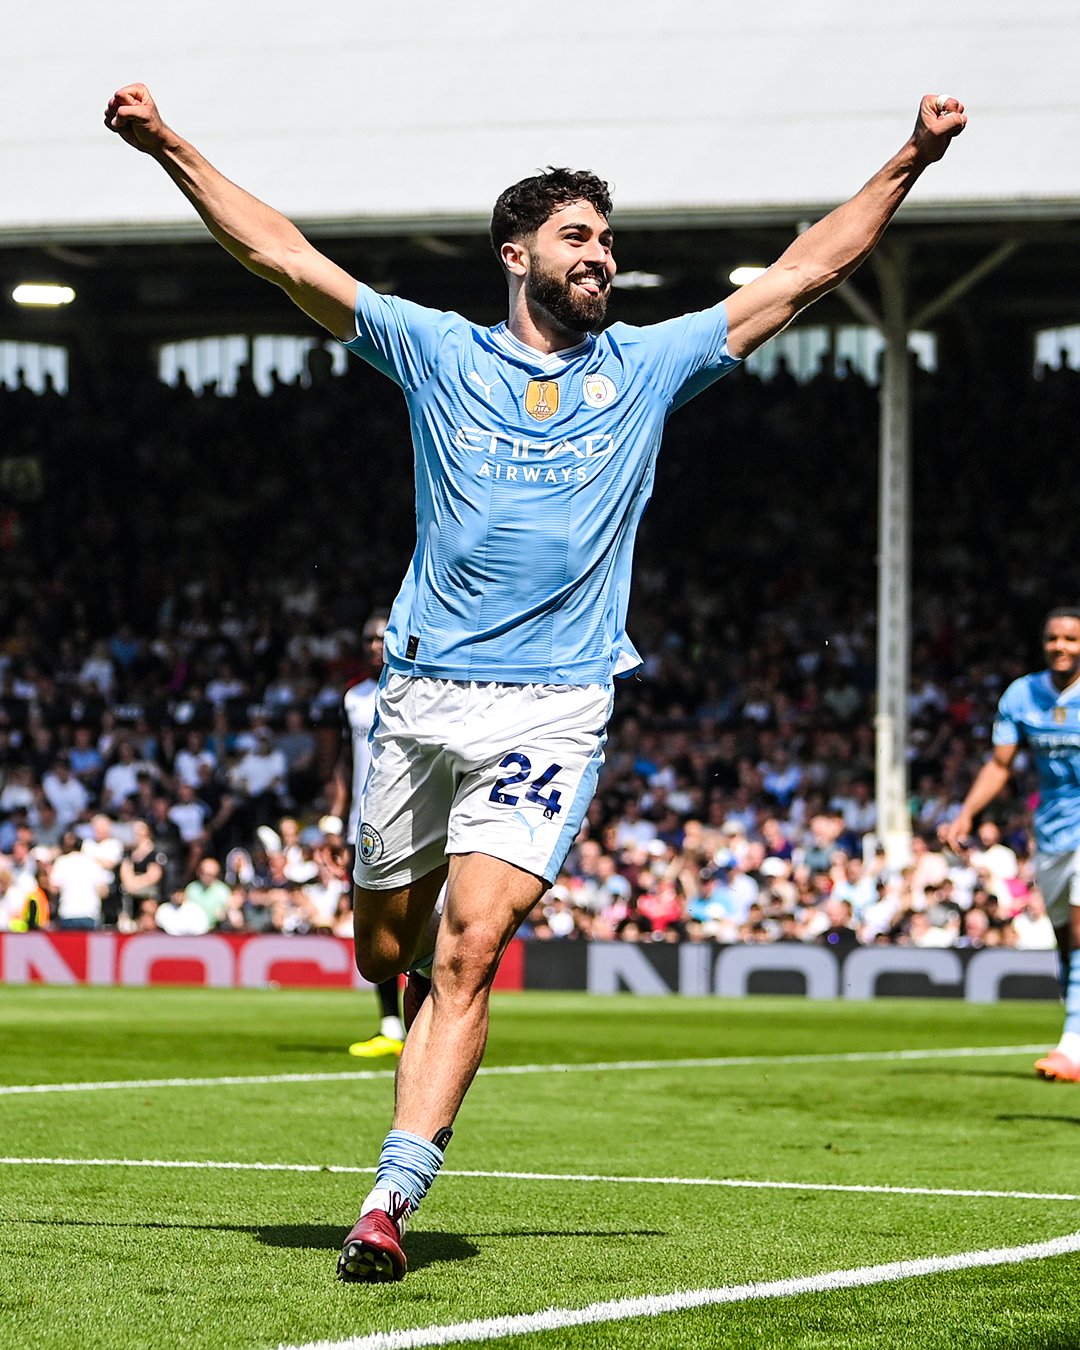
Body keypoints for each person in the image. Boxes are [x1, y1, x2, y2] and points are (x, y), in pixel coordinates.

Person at [105, 82, 967, 1282]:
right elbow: (280, 254)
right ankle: (389, 971)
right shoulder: (436, 352)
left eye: (608, 241)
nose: (602, 258)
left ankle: (388, 1200)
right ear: (516, 256)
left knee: (469, 949)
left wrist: (912, 156)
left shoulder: (654, 366)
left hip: (553, 705)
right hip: (420, 697)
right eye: (578, 238)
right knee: (384, 944)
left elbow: (805, 271)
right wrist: (166, 145)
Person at [942, 606, 1080, 1083]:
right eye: (1053, 638)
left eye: (1071, 639)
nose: (1061, 646)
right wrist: (966, 811)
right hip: (1053, 831)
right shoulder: (1023, 695)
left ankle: (1071, 1047)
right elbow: (1001, 765)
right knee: (1066, 941)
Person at [333, 613, 407, 1060]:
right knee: (371, 924)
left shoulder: (415, 690)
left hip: (411, 820)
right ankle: (390, 1024)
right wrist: (335, 817)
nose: (374, 644)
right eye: (368, 637)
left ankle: (422, 1020)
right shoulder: (353, 699)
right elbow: (345, 761)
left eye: (382, 636)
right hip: (362, 826)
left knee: (417, 922)